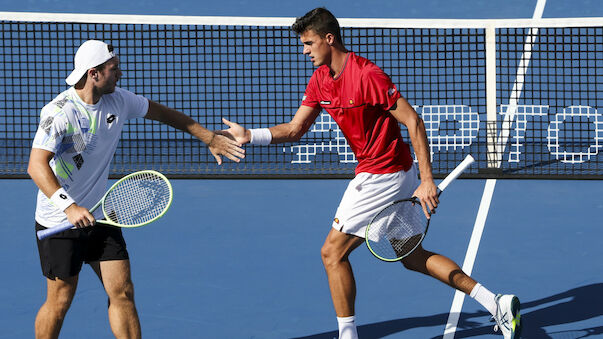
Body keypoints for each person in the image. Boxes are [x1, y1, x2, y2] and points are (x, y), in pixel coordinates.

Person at [221, 7, 521, 339]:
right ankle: (496, 303)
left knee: (332, 253)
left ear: (328, 39)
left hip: (384, 176)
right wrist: (252, 135)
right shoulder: (321, 79)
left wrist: (426, 180)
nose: (303, 51)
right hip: (390, 172)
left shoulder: (367, 75)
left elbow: (413, 121)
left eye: (308, 43)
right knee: (411, 255)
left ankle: (348, 336)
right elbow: (295, 129)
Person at [28, 39, 244, 339]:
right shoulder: (60, 112)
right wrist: (69, 206)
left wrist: (208, 137)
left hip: (101, 212)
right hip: (60, 219)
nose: (120, 73)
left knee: (123, 292)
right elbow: (36, 166)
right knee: (60, 300)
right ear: (94, 73)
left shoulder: (119, 100)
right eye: (113, 69)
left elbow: (165, 114)